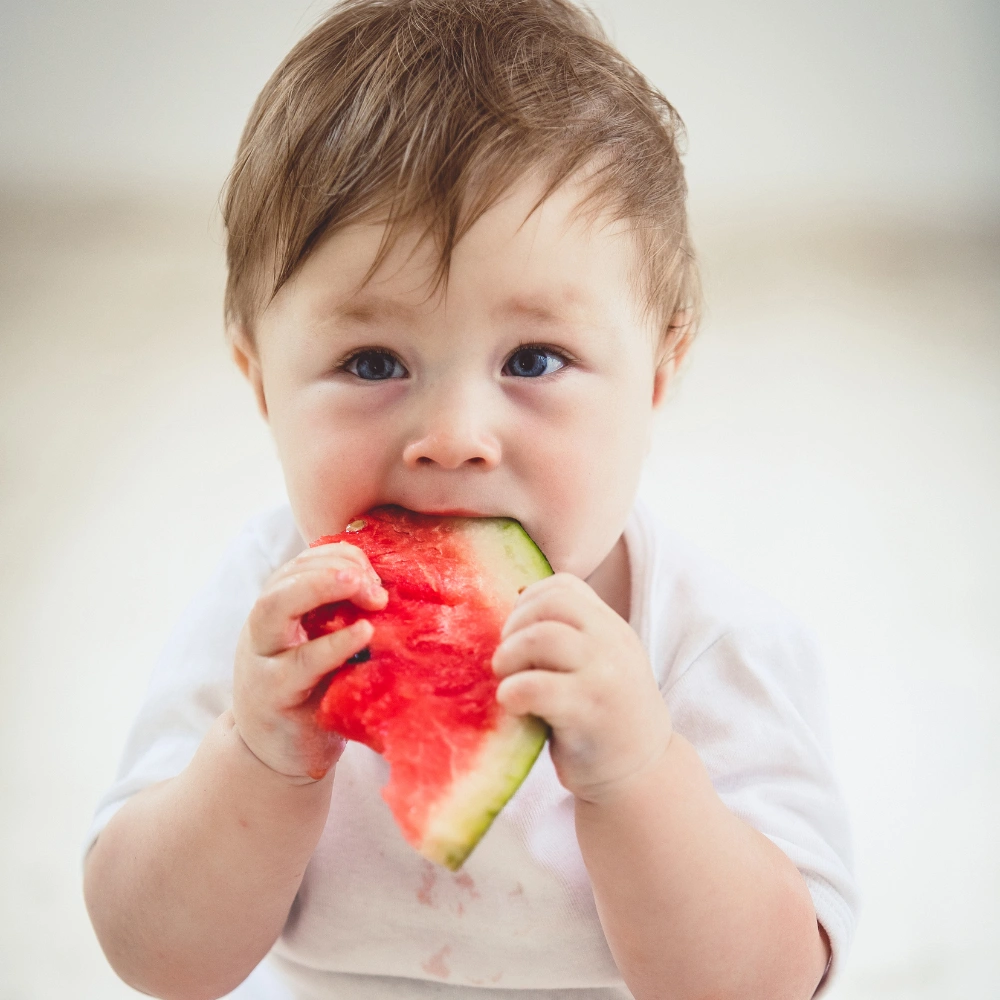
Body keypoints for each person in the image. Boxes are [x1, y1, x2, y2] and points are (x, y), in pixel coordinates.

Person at [82, 1, 858, 998]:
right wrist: (257, 755)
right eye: (372, 360)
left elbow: (771, 980)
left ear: (658, 374)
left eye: (533, 358)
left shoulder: (704, 639)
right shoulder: (272, 619)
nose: (452, 436)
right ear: (260, 380)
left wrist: (637, 772)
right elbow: (158, 957)